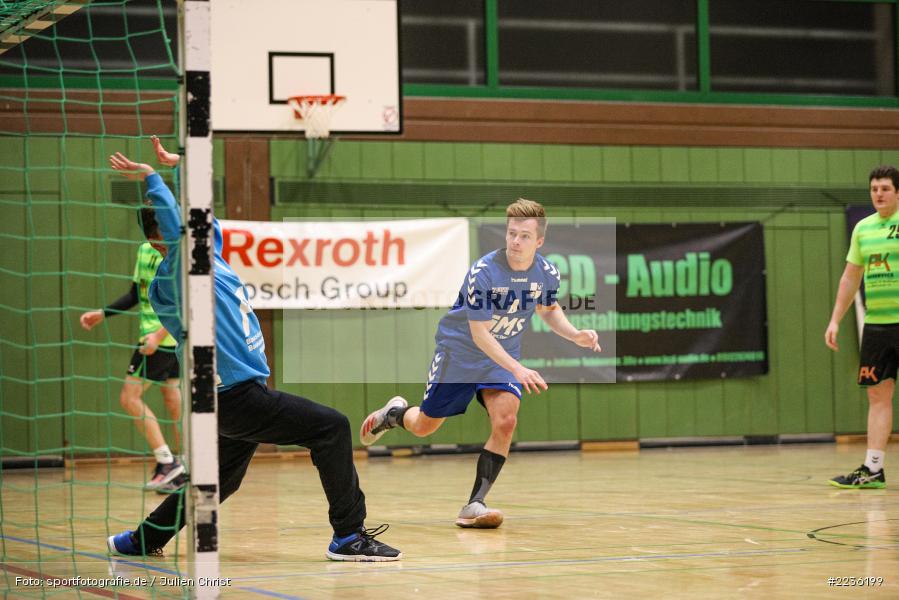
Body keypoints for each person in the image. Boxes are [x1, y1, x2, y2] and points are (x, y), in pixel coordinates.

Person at [106, 137, 401, 561]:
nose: (196, 229)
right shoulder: (173, 277)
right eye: (183, 229)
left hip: (237, 395)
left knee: (219, 481)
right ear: (160, 241)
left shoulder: (212, 257)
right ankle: (348, 536)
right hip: (235, 397)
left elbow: (200, 215)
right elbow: (175, 223)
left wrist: (182, 165)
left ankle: (141, 540)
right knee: (331, 427)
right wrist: (154, 177)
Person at [360, 199, 601, 528]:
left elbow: (547, 308)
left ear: (539, 241)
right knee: (424, 426)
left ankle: (474, 504)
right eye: (511, 233)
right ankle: (395, 415)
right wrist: (517, 368)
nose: (515, 241)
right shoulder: (485, 272)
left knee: (505, 422)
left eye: (524, 236)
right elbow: (480, 334)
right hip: (460, 353)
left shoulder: (546, 272)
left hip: (501, 358)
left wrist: (574, 335)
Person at [80, 244, 185, 493]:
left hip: (159, 339)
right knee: (172, 397)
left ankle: (167, 462)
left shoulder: (177, 250)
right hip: (167, 339)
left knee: (129, 398)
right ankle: (184, 466)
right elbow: (135, 295)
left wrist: (158, 336)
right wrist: (103, 313)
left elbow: (185, 302)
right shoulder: (144, 250)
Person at [826, 165, 899, 489]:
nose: (879, 194)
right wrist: (835, 319)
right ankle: (873, 469)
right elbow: (850, 277)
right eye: (874, 189)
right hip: (877, 326)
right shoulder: (863, 229)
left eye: (885, 188)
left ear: (897, 192)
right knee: (878, 396)